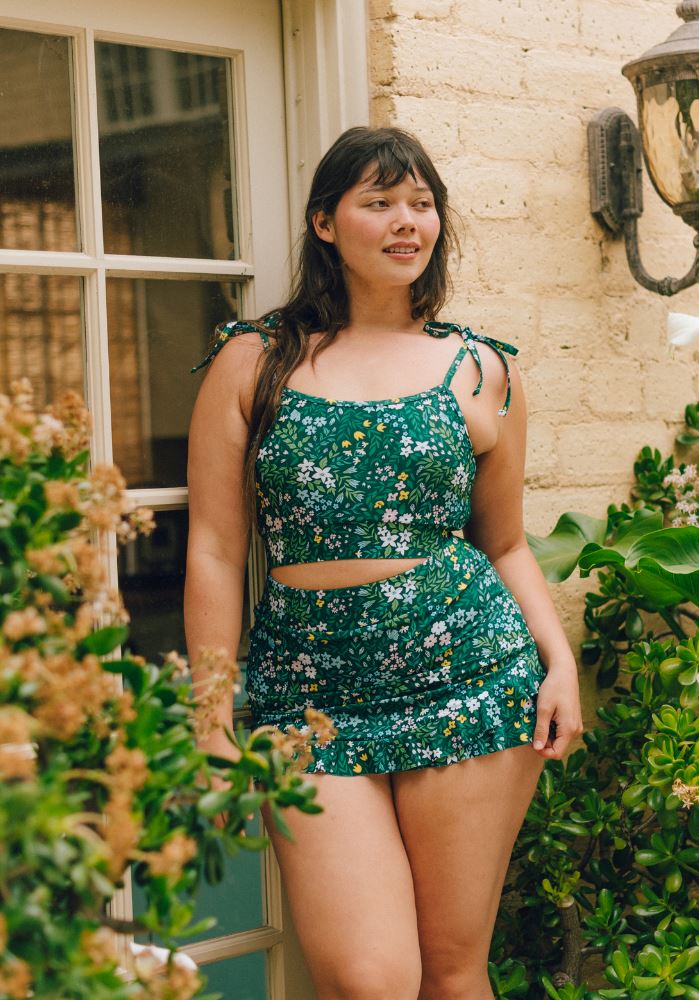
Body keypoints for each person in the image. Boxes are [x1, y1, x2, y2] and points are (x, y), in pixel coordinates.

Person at [185, 126, 582, 1000]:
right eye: (380, 202)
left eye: (422, 204)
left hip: (468, 679)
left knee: (451, 974)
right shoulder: (255, 360)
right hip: (307, 698)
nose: (407, 222)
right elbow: (214, 549)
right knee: (369, 979)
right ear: (325, 223)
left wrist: (559, 662)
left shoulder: (482, 370)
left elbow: (504, 543)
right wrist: (213, 718)